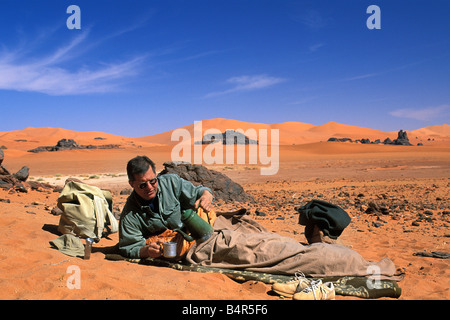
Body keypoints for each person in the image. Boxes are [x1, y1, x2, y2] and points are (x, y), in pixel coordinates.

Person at [118, 156, 214, 259]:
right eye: (142, 185)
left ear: (155, 175)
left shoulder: (171, 182)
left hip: (191, 231)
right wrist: (147, 251)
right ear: (131, 184)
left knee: (206, 214)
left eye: (152, 181)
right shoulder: (129, 214)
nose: (149, 188)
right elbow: (129, 248)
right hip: (168, 247)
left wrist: (206, 196)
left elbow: (199, 192)